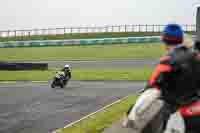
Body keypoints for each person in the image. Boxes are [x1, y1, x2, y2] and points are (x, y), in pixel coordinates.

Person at [123, 23, 200, 132]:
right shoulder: (196, 56)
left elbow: (152, 91)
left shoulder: (167, 62)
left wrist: (132, 114)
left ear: (164, 41)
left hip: (179, 116)